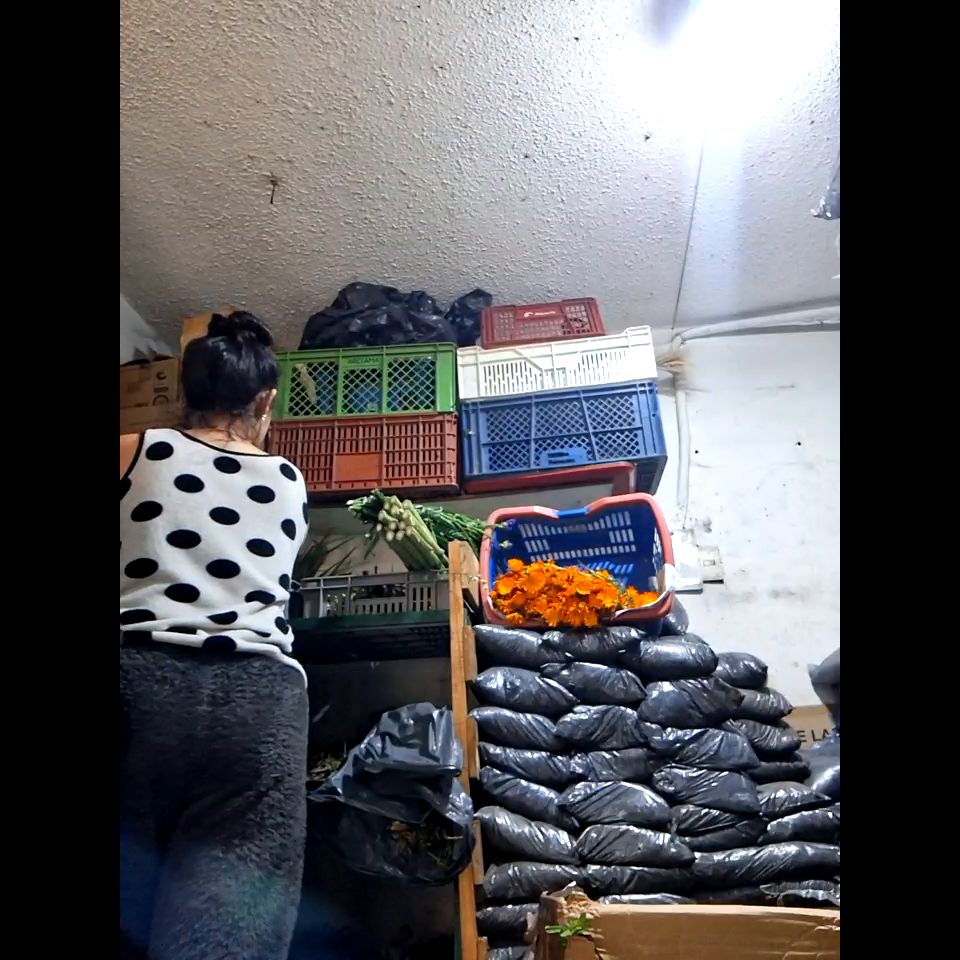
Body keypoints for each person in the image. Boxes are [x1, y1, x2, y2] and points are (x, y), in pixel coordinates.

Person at [120, 312, 310, 960]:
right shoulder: (288, 479)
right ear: (264, 402)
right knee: (226, 929)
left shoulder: (137, 448)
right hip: (258, 701)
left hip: (140, 684)